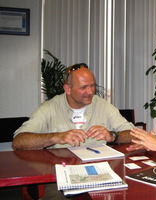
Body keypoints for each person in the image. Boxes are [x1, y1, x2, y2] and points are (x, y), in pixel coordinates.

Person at [12, 63, 135, 199]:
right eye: (83, 87)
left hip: (100, 173)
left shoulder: (103, 106)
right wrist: (55, 137)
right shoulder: (50, 108)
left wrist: (113, 136)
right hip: (61, 175)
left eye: (92, 85)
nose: (90, 92)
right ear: (68, 89)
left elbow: (134, 134)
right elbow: (18, 142)